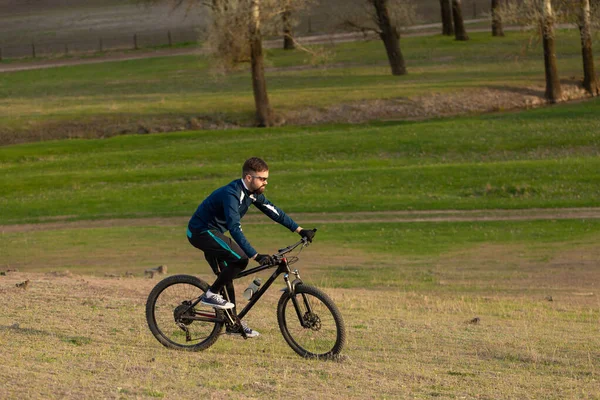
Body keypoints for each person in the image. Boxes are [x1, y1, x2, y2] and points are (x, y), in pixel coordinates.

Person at [187, 157, 315, 338]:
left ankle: (233, 324)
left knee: (228, 276)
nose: (266, 182)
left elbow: (274, 211)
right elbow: (234, 228)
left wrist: (300, 230)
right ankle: (211, 294)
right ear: (249, 178)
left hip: (214, 232)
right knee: (240, 259)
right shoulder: (232, 194)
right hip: (201, 232)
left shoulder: (252, 193)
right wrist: (255, 255)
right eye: (262, 179)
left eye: (266, 178)